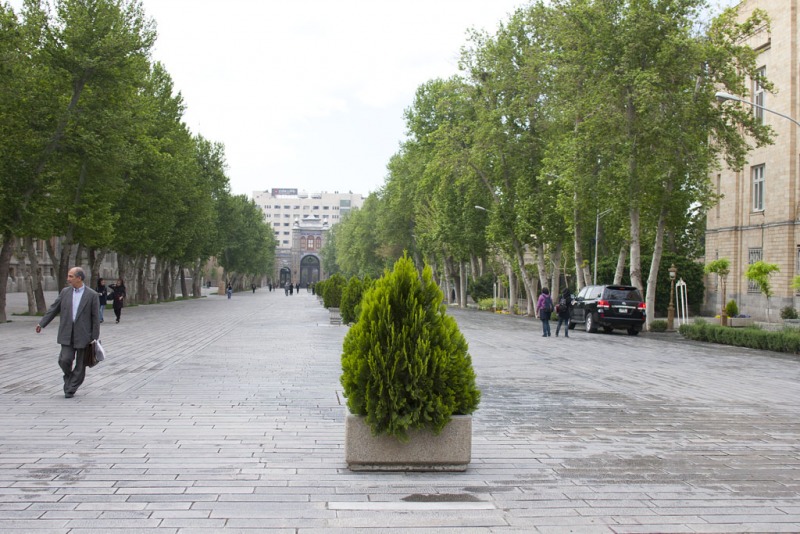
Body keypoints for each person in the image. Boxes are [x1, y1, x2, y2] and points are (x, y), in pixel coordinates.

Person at [35, 267, 100, 398]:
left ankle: (70, 388)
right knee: (64, 359)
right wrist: (42, 323)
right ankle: (69, 377)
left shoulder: (92, 295)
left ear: (79, 278)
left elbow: (95, 318)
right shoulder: (65, 292)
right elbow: (54, 309)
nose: (68, 279)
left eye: (71, 276)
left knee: (81, 365)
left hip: (84, 335)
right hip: (66, 333)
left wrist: (94, 338)